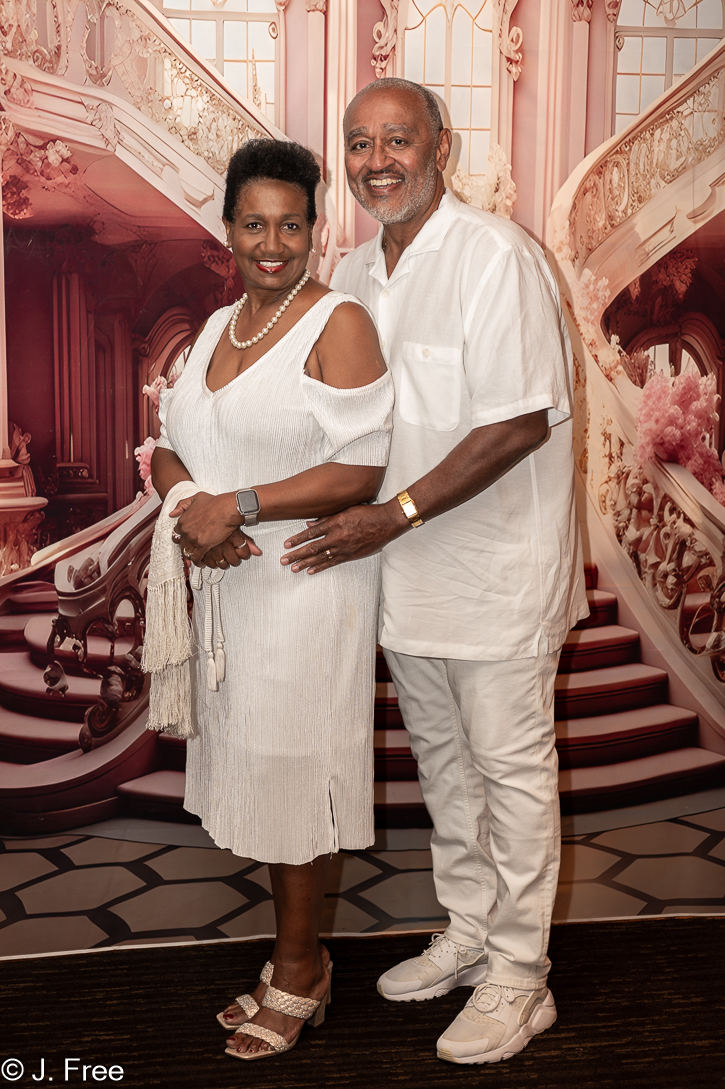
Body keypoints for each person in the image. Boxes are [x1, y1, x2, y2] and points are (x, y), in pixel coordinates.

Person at [282, 78, 588, 1066]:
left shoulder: (494, 255)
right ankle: (467, 932)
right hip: (398, 577)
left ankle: (519, 976)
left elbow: (516, 421)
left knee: (510, 773)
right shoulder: (353, 271)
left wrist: (393, 513)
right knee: (443, 765)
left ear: (439, 146)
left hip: (495, 572)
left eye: (397, 139)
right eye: (358, 142)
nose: (377, 160)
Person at [149, 138, 393, 1061]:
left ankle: (300, 971)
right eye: (254, 224)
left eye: (292, 225)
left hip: (304, 583)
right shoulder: (217, 325)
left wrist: (239, 504)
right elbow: (167, 444)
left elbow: (363, 466)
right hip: (227, 580)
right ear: (227, 229)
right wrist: (192, 508)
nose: (273, 243)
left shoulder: (338, 322)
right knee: (258, 767)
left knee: (296, 775)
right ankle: (296, 955)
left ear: (316, 229)